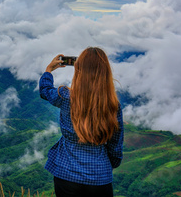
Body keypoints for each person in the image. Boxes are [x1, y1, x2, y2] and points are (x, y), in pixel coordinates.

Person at [39, 47, 124, 197]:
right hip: (99, 178)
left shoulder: (65, 96)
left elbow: (45, 91)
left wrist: (48, 70)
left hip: (66, 174)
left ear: (79, 70)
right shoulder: (112, 105)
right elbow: (115, 145)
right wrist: (108, 164)